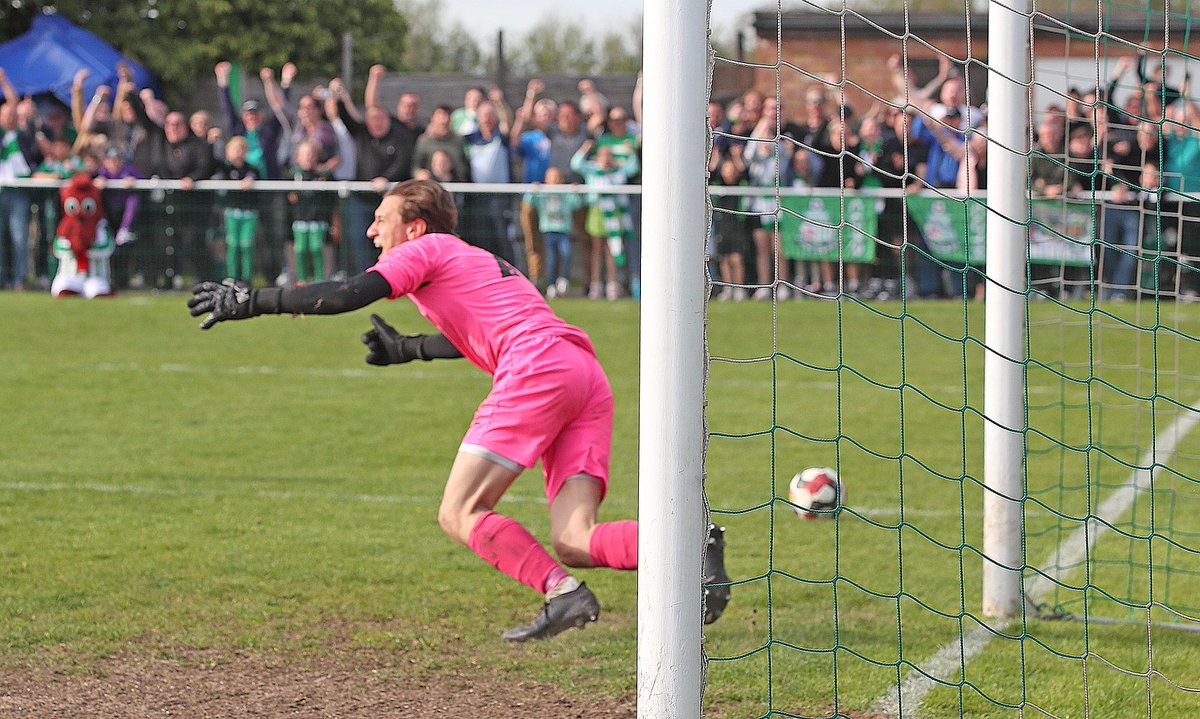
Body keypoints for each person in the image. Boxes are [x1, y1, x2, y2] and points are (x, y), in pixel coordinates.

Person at [188, 178, 733, 639]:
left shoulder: (423, 251)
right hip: (582, 373)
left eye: (381, 219)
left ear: (416, 227)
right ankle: (691, 537)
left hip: (538, 368)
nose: (371, 231)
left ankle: (563, 595)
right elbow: (477, 333)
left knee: (458, 512)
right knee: (575, 540)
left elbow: (350, 293)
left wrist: (254, 302)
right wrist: (409, 348)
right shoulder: (471, 258)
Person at [526, 166, 582, 299]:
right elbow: (530, 201)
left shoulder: (565, 193)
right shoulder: (543, 193)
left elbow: (577, 204)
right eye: (552, 178)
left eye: (557, 178)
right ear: (546, 180)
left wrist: (574, 192)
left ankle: (563, 280)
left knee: (566, 254)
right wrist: (533, 191)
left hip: (563, 231)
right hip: (548, 231)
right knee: (551, 259)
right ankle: (551, 284)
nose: (555, 180)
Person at [214, 136, 259, 281]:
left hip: (248, 213)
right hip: (231, 213)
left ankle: (246, 277)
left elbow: (253, 176)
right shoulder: (225, 169)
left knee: (246, 246)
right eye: (234, 149)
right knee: (232, 245)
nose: (237, 153)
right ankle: (231, 277)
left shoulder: (251, 169)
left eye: (241, 149)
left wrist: (249, 180)